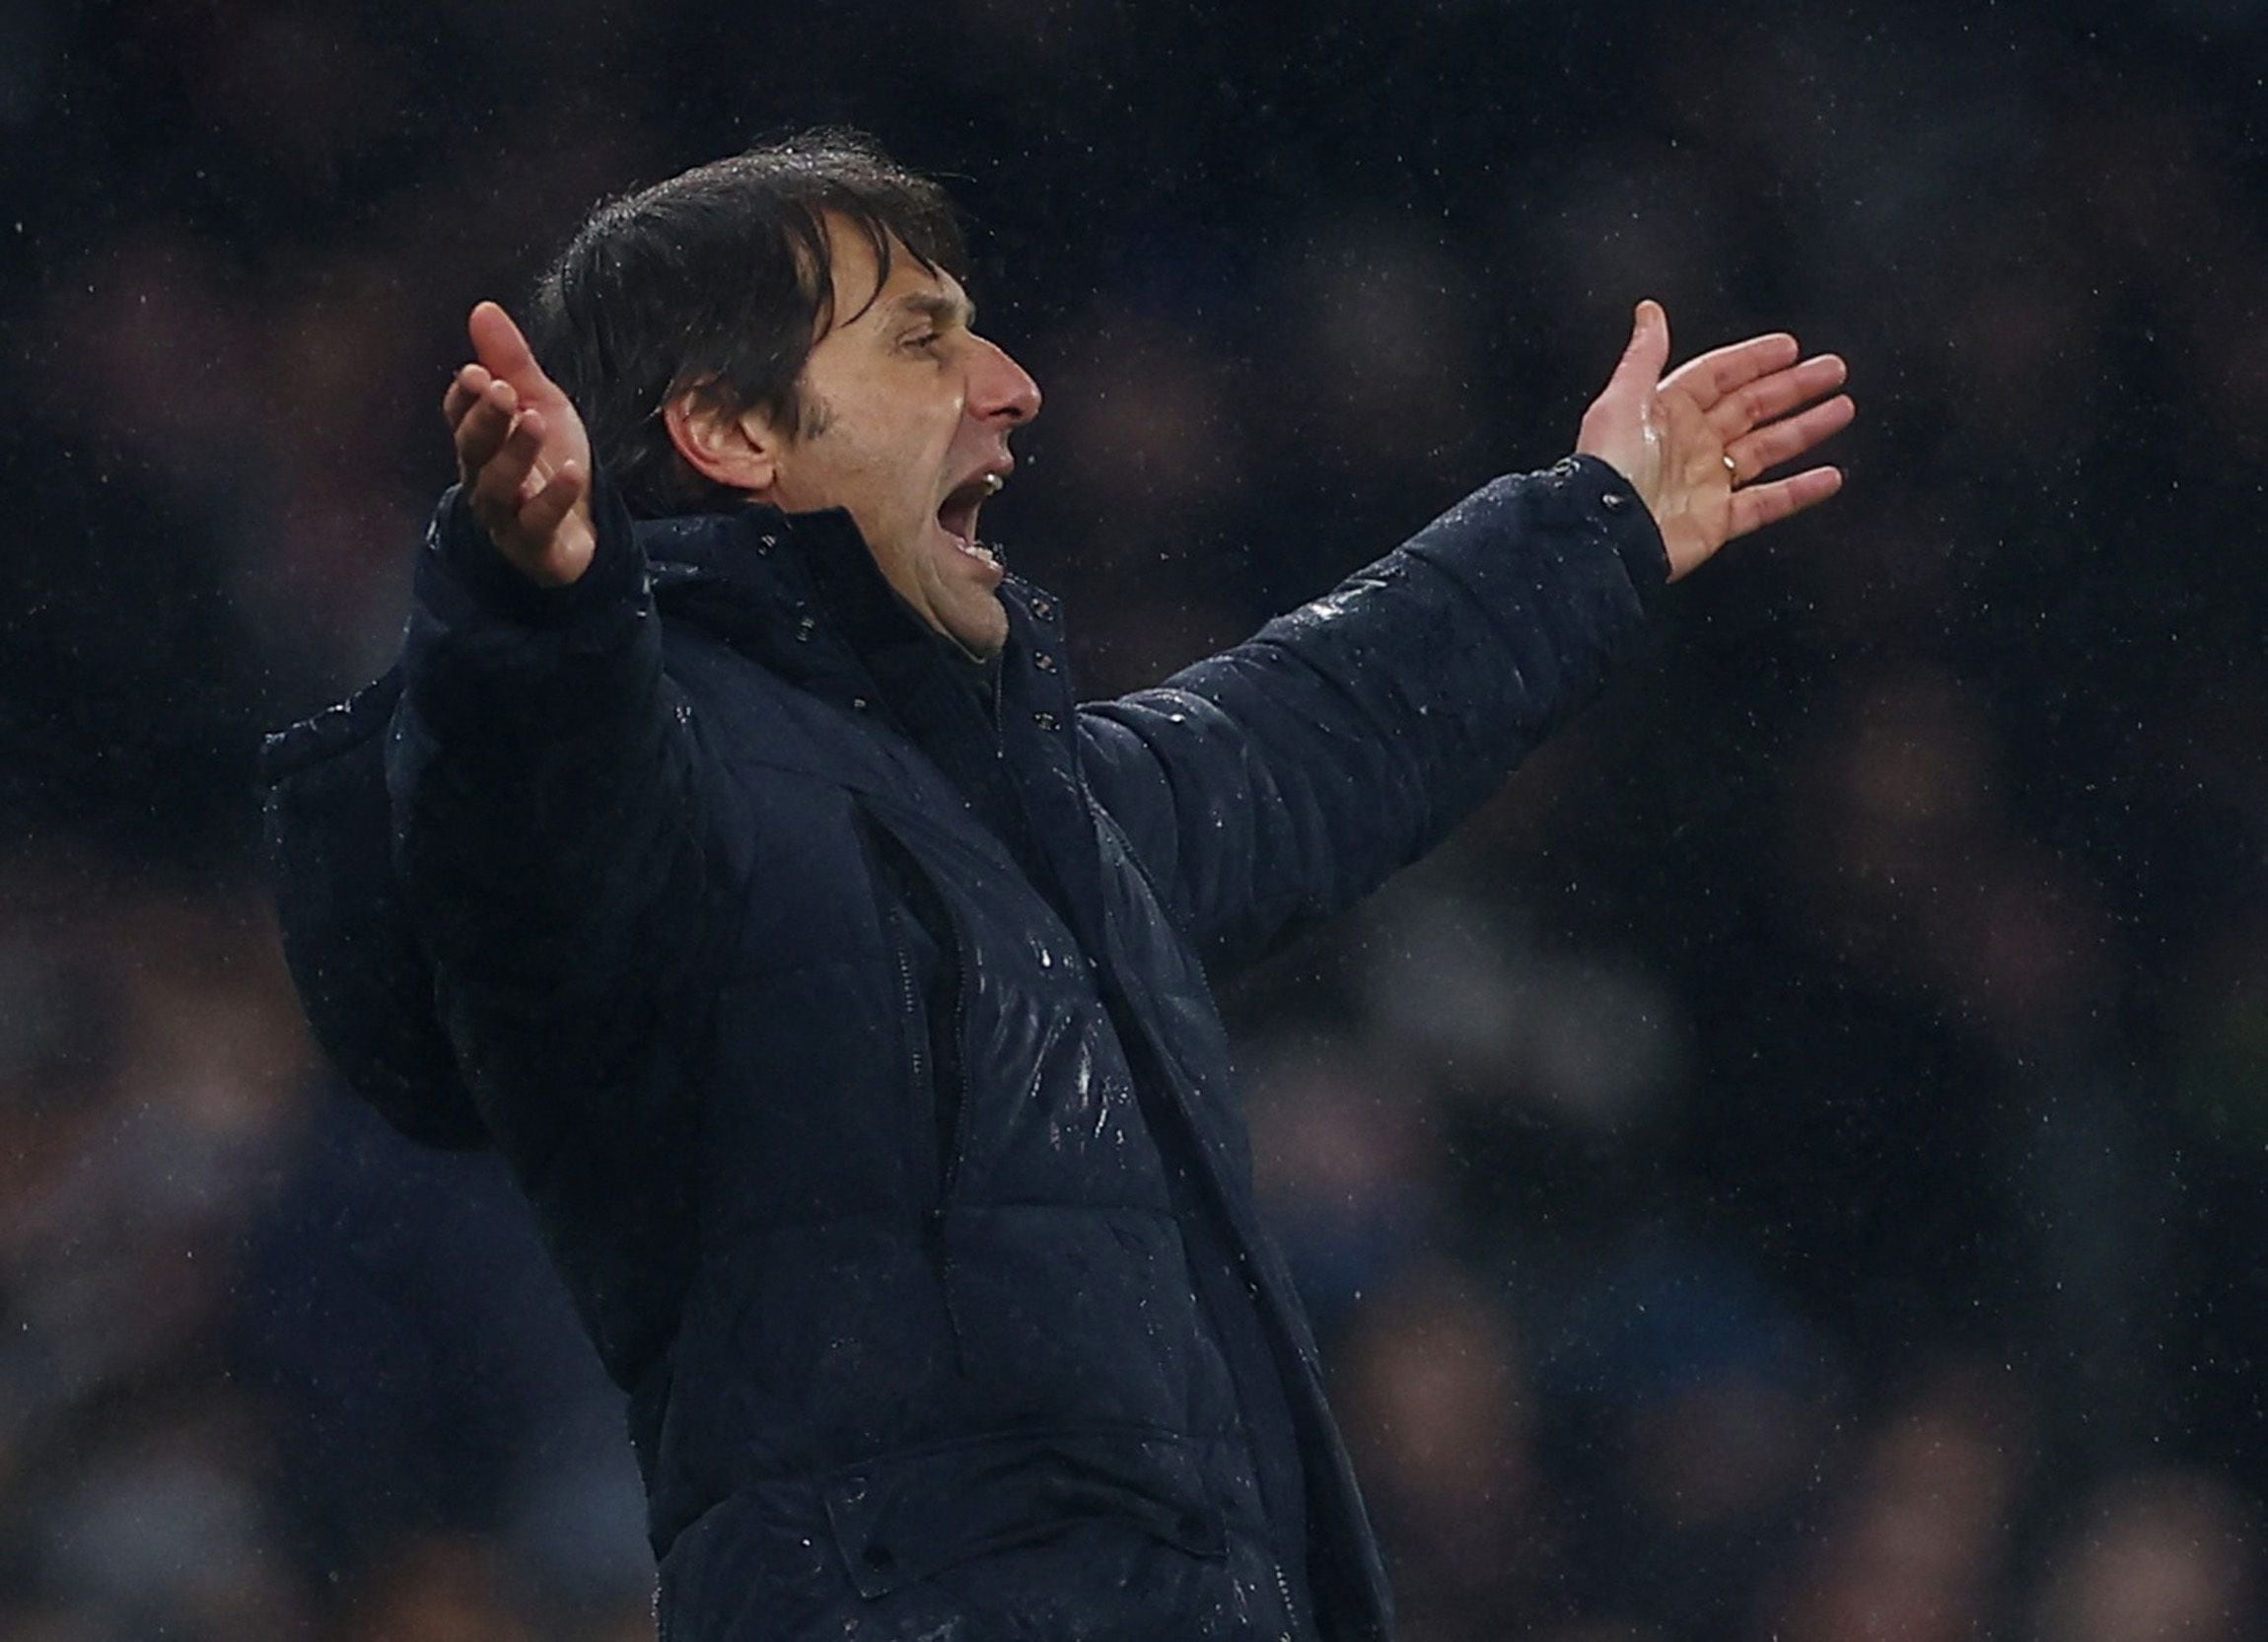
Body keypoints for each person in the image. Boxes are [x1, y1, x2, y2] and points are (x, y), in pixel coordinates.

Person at [262, 130, 1852, 1642]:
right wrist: (532, 604)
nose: (1014, 388)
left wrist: (1595, 525)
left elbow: (1308, 732)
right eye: (922, 340)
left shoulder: (1033, 810)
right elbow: (520, 836)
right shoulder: (660, 786)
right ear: (731, 430)